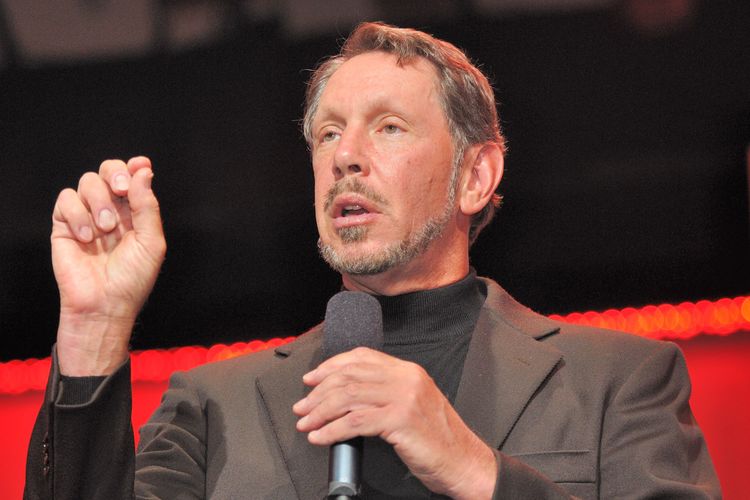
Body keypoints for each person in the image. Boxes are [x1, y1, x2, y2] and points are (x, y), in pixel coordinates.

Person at [25, 22, 719, 499]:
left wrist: (476, 470)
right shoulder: (212, 408)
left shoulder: (619, 382)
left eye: (388, 127)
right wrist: (95, 325)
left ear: (475, 176)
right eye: (329, 134)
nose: (346, 156)